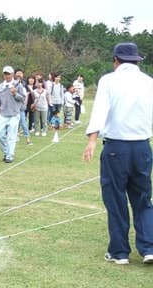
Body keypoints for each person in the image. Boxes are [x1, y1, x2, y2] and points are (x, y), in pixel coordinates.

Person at [83, 42, 153, 265]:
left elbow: (100, 110)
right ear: (137, 61)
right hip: (142, 147)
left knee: (115, 199)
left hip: (116, 148)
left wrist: (92, 141)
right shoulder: (149, 82)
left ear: (116, 60)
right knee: (143, 199)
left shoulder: (108, 80)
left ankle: (119, 252)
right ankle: (149, 248)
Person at [0, 66, 25, 163]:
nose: (7, 76)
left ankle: (10, 155)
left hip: (14, 114)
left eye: (8, 74)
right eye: (5, 74)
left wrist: (15, 94)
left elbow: (23, 99)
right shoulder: (1, 86)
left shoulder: (18, 85)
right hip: (3, 114)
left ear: (12, 74)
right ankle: (6, 152)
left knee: (11, 136)